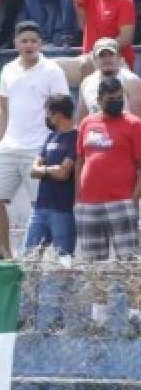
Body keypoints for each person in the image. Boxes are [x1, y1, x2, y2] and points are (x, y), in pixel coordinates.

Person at [0, 21, 68, 261]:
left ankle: (39, 257)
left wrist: (56, 146)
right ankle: (6, 254)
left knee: (41, 207)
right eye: (24, 41)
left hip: (39, 148)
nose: (29, 45)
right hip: (8, 147)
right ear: (15, 44)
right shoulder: (7, 70)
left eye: (33, 40)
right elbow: (2, 109)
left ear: (41, 43)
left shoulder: (52, 70)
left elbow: (63, 110)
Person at [76, 75, 141, 263]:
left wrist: (134, 199)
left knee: (129, 265)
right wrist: (78, 198)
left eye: (119, 98)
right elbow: (80, 161)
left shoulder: (134, 124)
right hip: (88, 204)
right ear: (99, 100)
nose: (116, 102)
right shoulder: (87, 123)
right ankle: (97, 295)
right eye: (111, 99)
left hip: (122, 202)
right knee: (92, 268)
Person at [22, 95, 78, 262]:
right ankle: (29, 289)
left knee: (64, 261)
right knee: (29, 258)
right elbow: (33, 170)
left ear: (58, 115)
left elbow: (63, 174)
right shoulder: (50, 137)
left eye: (48, 113)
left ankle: (65, 289)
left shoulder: (76, 138)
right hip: (39, 208)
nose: (46, 117)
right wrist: (51, 169)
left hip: (63, 210)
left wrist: (44, 170)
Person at [76, 38, 141, 120]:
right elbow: (81, 121)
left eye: (111, 54)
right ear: (94, 59)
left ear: (119, 57)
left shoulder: (132, 81)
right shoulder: (86, 83)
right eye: (102, 55)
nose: (107, 59)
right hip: (96, 131)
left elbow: (138, 121)